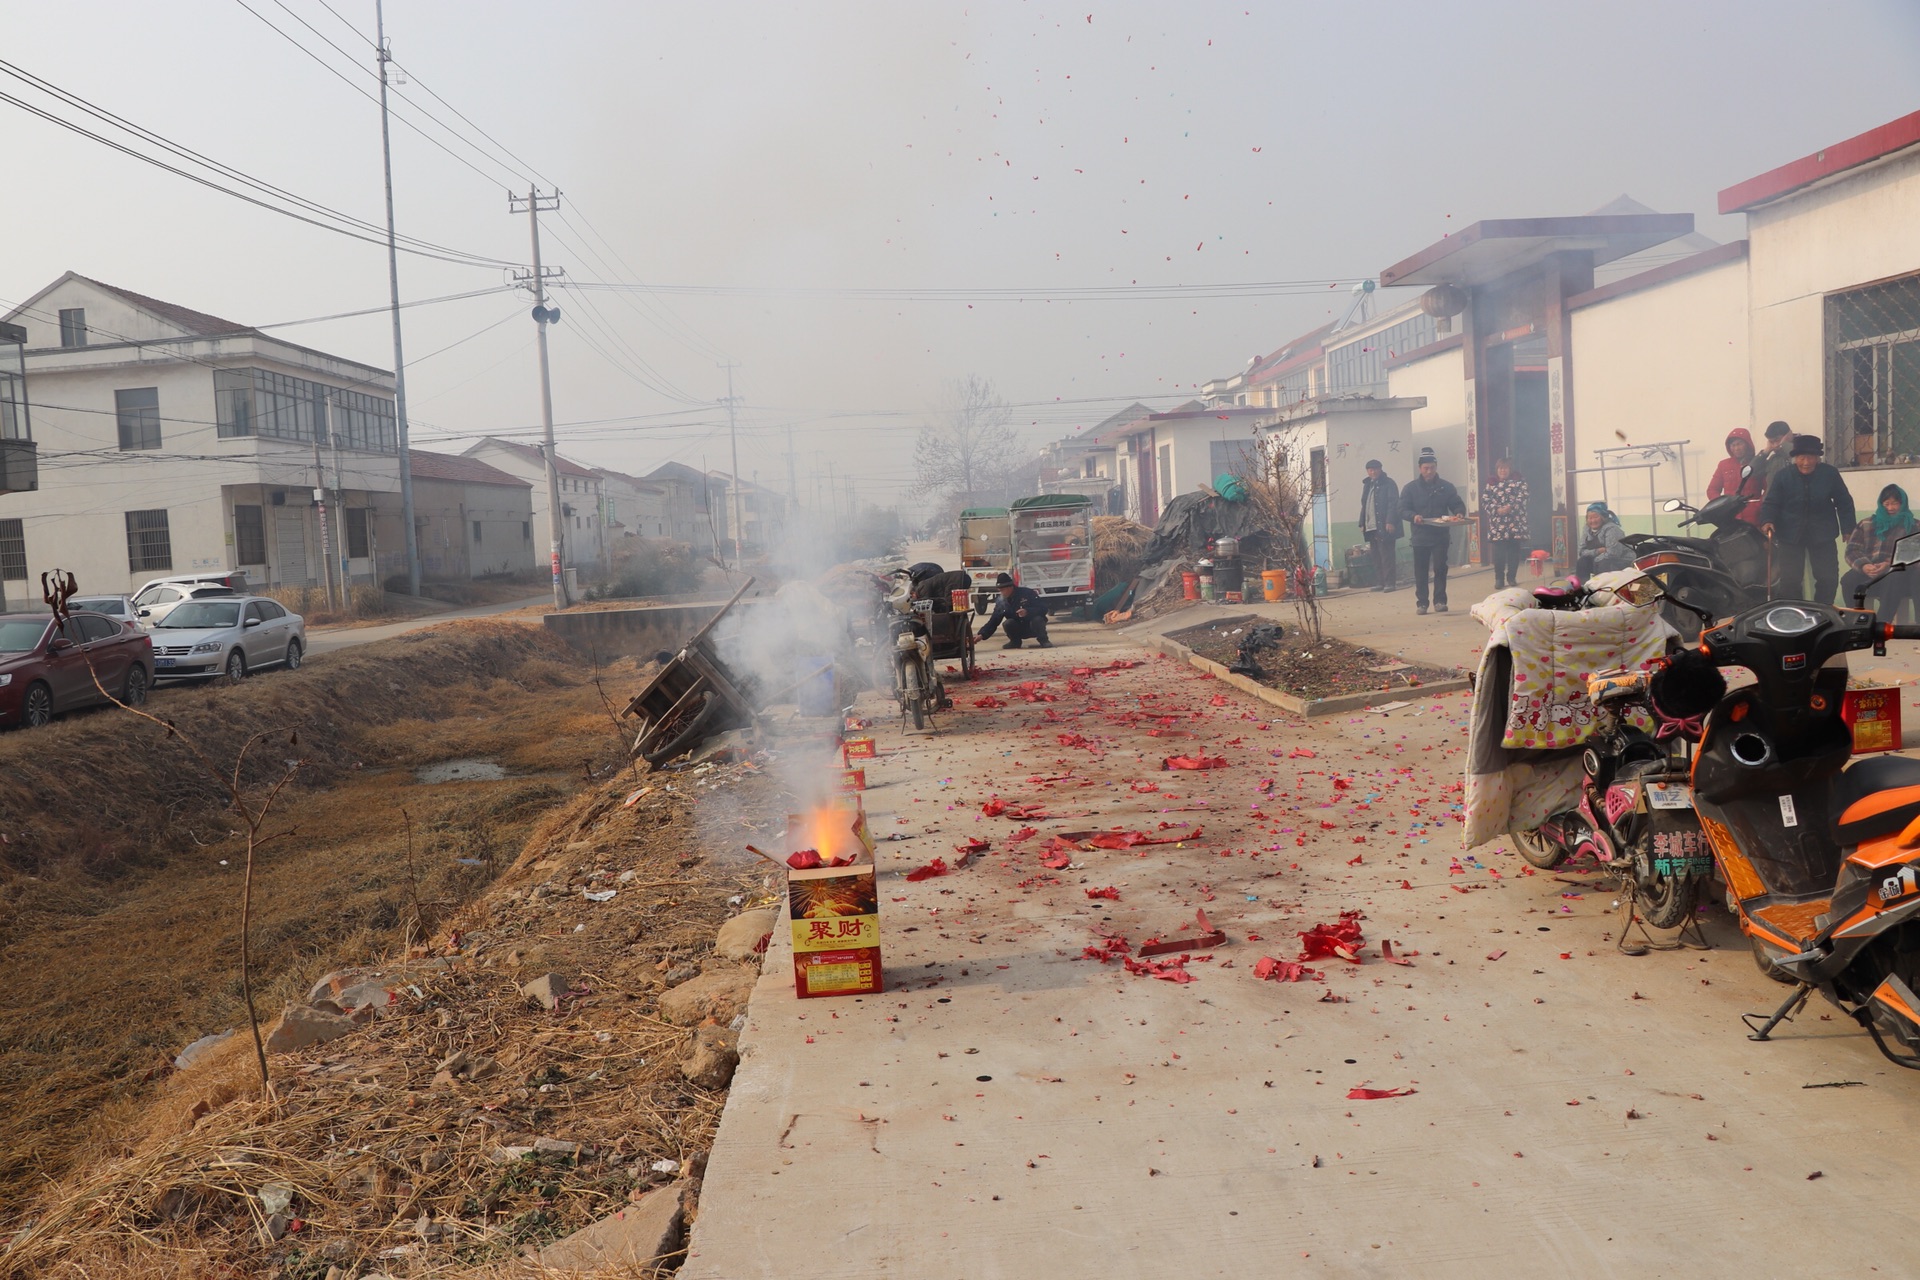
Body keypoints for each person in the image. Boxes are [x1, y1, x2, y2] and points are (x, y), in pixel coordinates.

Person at [1761, 434, 1856, 604]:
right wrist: (1768, 520)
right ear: (1795, 457)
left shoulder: (1830, 474)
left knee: (1827, 578)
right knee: (1790, 581)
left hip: (1823, 533)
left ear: (1817, 458)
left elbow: (1844, 502)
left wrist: (1848, 529)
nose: (1806, 462)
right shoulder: (1783, 476)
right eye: (1802, 457)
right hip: (1789, 534)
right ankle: (1795, 614)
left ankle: (1823, 612)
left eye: (1811, 457)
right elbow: (1771, 501)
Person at [1398, 446, 1465, 616]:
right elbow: (1402, 509)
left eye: (1432, 468)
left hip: (1440, 535)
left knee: (1441, 569)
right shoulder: (1410, 488)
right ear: (1420, 469)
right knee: (1420, 571)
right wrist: (1413, 516)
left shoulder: (1446, 487)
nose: (1429, 471)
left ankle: (1440, 601)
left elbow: (1456, 503)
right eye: (1426, 468)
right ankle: (1422, 603)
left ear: (1436, 467)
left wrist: (1459, 512)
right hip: (1420, 536)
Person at [1841, 484, 1918, 619]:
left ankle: (1881, 624)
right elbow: (1852, 550)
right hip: (1869, 571)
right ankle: (1857, 620)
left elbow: (1914, 555)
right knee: (1848, 580)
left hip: (1897, 573)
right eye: (1886, 503)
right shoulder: (1866, 524)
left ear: (1903, 503)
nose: (1890, 508)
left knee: (1894, 577)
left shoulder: (1913, 525)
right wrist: (1865, 566)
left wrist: (1889, 564)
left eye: (1895, 503)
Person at [1481, 458, 1529, 589]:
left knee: (1514, 551)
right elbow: (1485, 501)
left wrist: (1511, 507)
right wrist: (1497, 509)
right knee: (1499, 553)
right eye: (1500, 468)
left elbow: (1523, 496)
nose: (1503, 470)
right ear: (1497, 470)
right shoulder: (1491, 483)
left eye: (1506, 468)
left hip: (1515, 523)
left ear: (1510, 469)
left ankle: (1512, 577)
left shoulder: (1519, 482)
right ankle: (1499, 579)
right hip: (1498, 524)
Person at [1704, 428, 1765, 526]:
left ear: (1747, 444)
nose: (1736, 448)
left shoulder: (1758, 463)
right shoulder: (1723, 465)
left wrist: (1759, 506)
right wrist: (1722, 505)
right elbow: (1712, 490)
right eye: (1733, 445)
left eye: (1739, 444)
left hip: (1755, 517)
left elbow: (1769, 489)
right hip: (1730, 517)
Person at [1356, 458, 1401, 592]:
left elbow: (1393, 503)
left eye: (1375, 469)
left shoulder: (1389, 483)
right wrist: (1362, 522)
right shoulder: (1368, 485)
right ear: (1367, 471)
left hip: (1384, 525)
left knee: (1386, 555)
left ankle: (1390, 583)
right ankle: (1380, 582)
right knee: (1375, 555)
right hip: (1371, 526)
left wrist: (1390, 521)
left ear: (1381, 469)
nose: (1373, 472)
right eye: (1370, 469)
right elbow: (1364, 505)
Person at [975, 572, 1051, 649]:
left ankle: (1044, 640)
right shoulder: (1002, 602)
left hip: (1033, 626)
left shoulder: (1027, 593)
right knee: (1008, 623)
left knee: (1037, 620)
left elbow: (1043, 608)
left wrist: (1028, 611)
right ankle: (1015, 642)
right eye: (1000, 590)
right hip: (1018, 628)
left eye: (1003, 590)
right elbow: (994, 621)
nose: (1001, 593)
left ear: (1010, 587)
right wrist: (981, 635)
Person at [1575, 503, 1630, 578]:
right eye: (1590, 518)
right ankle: (1583, 586)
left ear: (1603, 517)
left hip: (1620, 561)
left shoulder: (1612, 529)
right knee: (1582, 561)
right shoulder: (1587, 529)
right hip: (1600, 559)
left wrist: (1595, 559)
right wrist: (1598, 551)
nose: (1593, 521)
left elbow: (1613, 553)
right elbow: (1581, 551)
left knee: (1604, 563)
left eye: (1596, 517)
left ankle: (1604, 587)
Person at [1753, 420, 1795, 494]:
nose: (1775, 445)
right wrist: (1765, 452)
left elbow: (1796, 459)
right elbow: (1751, 472)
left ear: (1788, 436)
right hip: (1772, 503)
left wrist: (1784, 444)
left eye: (1778, 440)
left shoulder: (1802, 453)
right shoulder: (1773, 459)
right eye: (1771, 442)